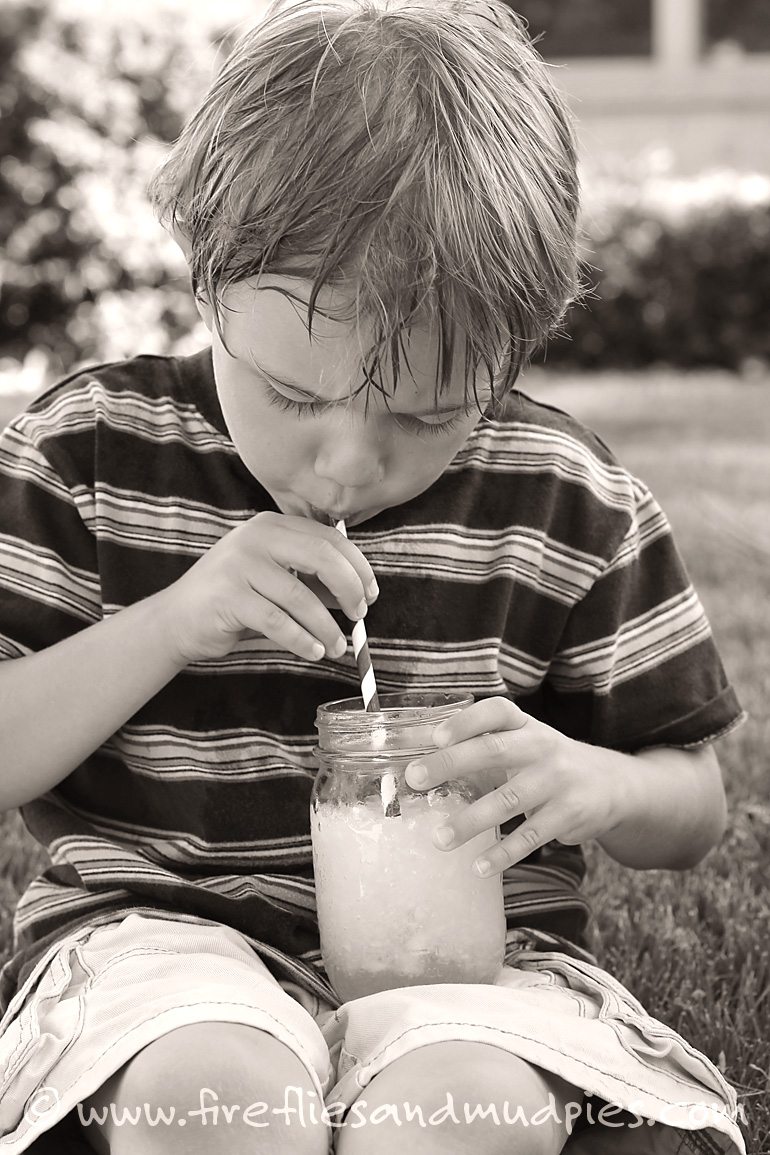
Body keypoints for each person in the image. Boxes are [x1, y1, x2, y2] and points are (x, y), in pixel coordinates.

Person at [0, 1, 748, 1152]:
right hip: (156, 942)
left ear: (513, 349)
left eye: (429, 416)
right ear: (207, 287)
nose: (348, 463)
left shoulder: (561, 497)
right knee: (218, 1101)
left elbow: (689, 805)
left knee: (466, 1119)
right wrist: (170, 624)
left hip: (477, 971)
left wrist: (592, 782)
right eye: (293, 397)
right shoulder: (86, 456)